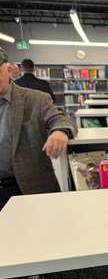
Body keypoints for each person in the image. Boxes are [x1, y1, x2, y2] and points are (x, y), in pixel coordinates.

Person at [0, 48, 76, 211]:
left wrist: (60, 131)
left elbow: (60, 118)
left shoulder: (37, 99)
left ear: (9, 69)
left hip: (28, 189)